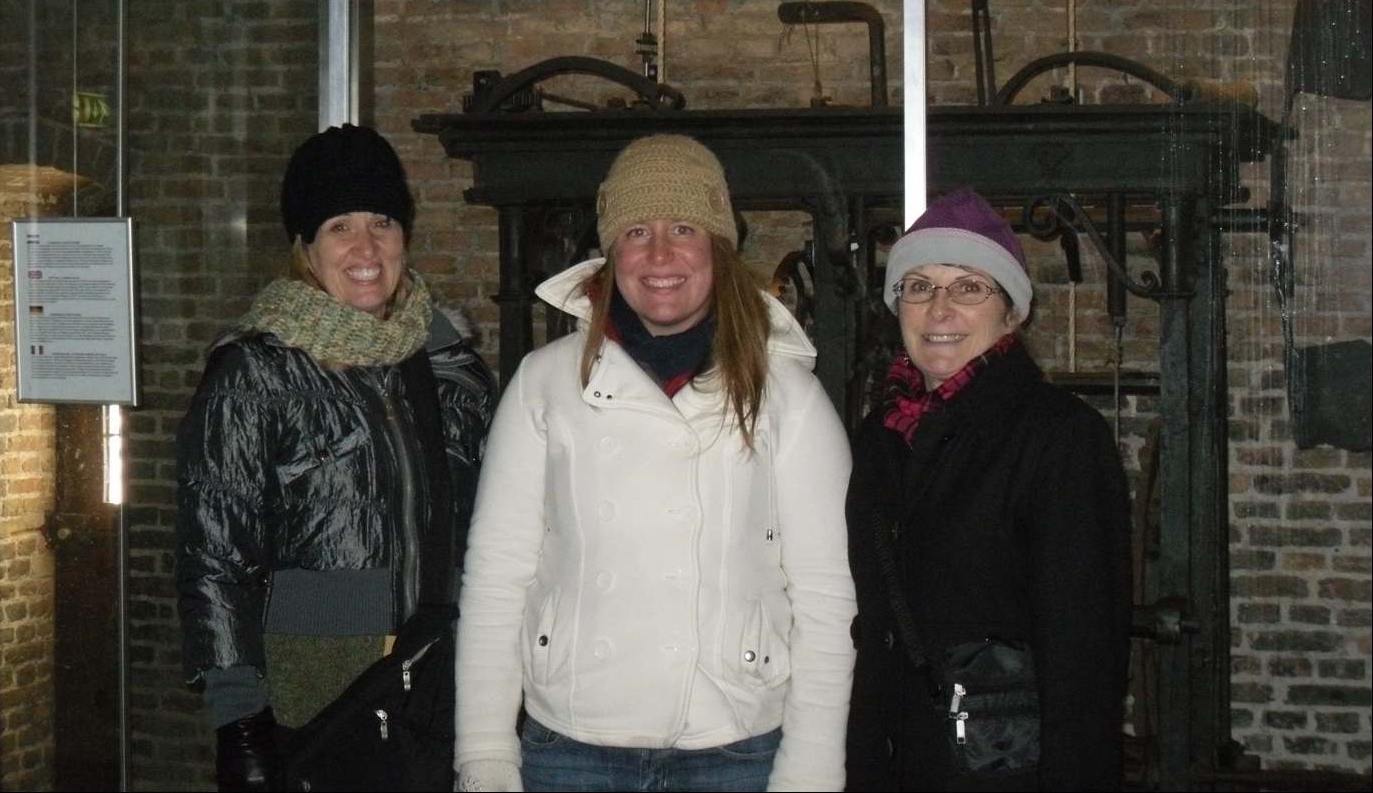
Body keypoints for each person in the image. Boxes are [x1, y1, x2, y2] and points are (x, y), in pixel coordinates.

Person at [454, 134, 857, 793]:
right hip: (571, 747)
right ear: (611, 251)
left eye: (683, 228)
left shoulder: (789, 395)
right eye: (637, 230)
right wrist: (485, 751)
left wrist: (811, 767)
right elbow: (498, 576)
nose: (661, 254)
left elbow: (826, 596)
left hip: (735, 748)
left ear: (718, 248)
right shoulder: (544, 383)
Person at [176, 124, 495, 792]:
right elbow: (213, 557)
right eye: (339, 226)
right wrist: (240, 722)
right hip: (318, 688)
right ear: (306, 246)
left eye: (382, 221)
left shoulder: (448, 366)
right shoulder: (254, 374)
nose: (366, 247)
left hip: (440, 677)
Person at [845, 188, 1131, 791]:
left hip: (999, 771)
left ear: (1012, 311)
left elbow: (1085, 657)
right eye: (918, 286)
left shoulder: (1059, 439)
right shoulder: (879, 438)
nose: (938, 309)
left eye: (969, 287)